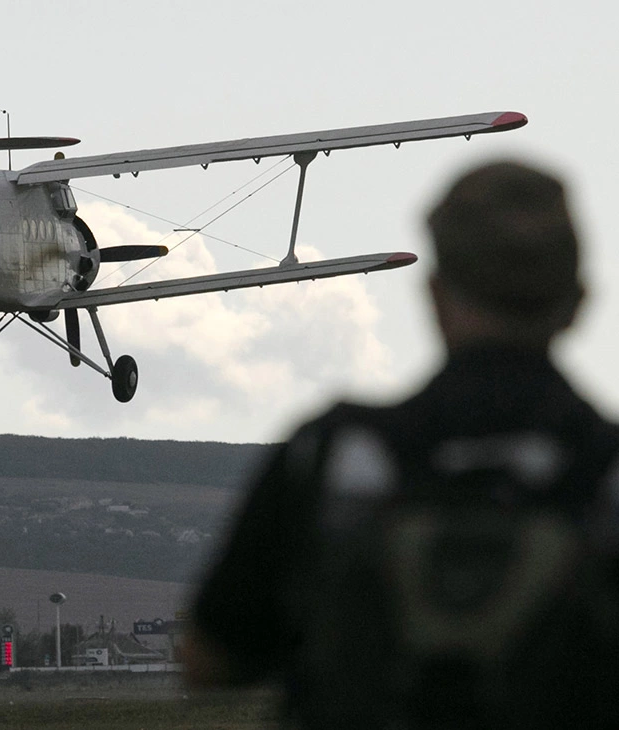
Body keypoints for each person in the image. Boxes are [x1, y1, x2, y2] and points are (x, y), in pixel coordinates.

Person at [185, 160, 619, 728]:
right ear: (579, 301)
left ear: (434, 295)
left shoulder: (329, 452)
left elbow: (211, 659)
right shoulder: (603, 464)